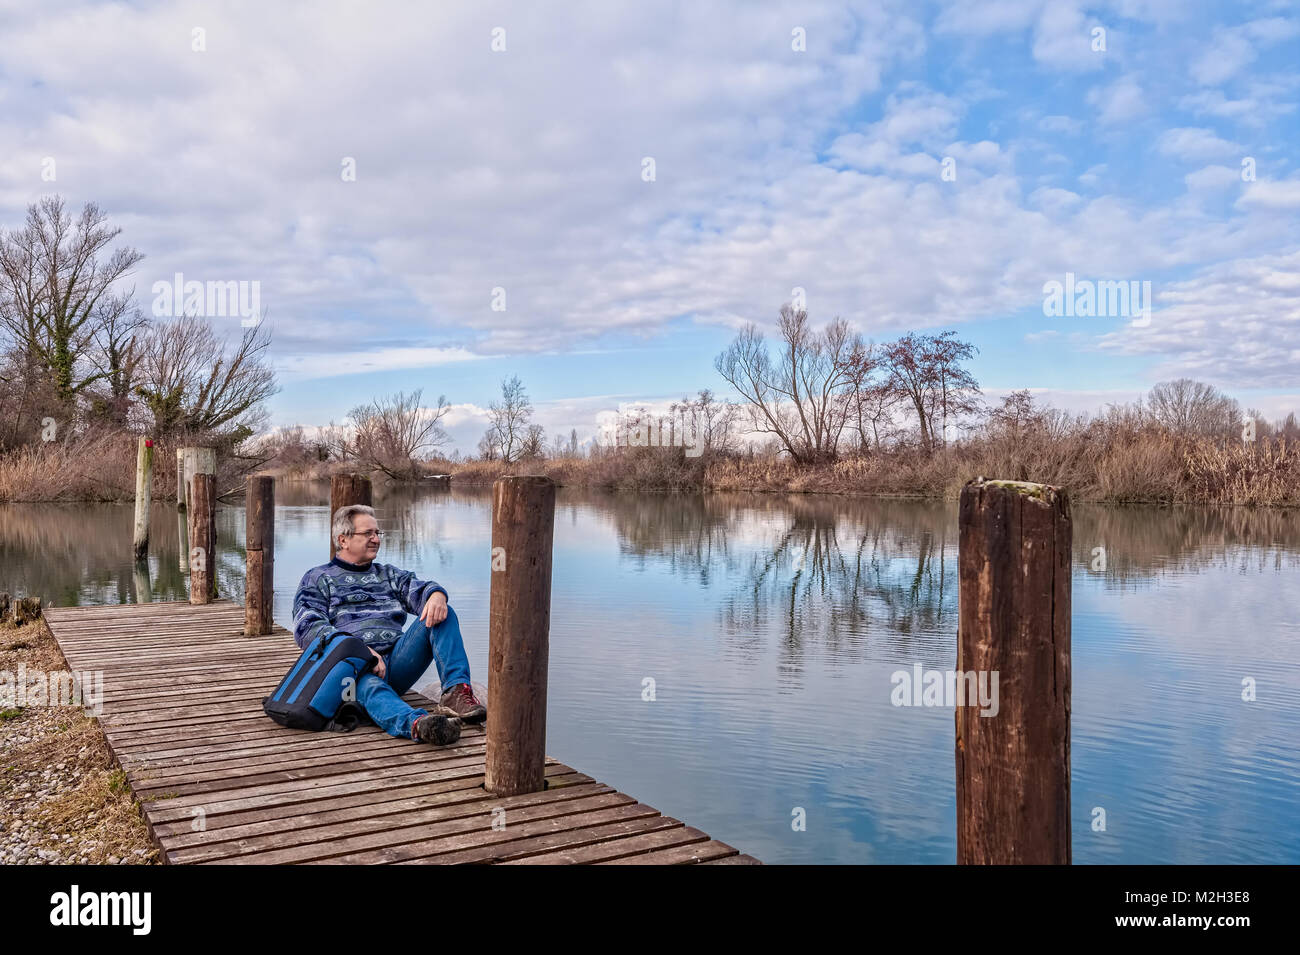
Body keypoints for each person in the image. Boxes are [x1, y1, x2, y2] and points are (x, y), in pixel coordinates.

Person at [291, 503, 487, 746]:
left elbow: (419, 589)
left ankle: (455, 692)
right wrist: (360, 653)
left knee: (442, 614)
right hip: (350, 674)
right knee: (368, 685)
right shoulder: (318, 579)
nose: (375, 539)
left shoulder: (387, 575)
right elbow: (307, 628)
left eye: (377, 533)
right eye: (368, 534)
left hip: (395, 664)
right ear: (343, 540)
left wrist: (436, 595)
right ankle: (418, 725)